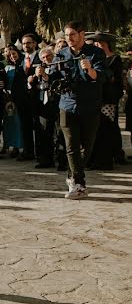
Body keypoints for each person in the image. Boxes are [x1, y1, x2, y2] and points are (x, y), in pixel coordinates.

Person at [52, 21, 106, 199]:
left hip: (90, 106)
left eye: (72, 34)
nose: (69, 38)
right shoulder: (61, 55)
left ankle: (72, 175)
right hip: (67, 105)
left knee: (87, 147)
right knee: (71, 145)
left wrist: (89, 69)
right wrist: (43, 75)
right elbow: (53, 78)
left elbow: (101, 77)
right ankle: (79, 184)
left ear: (82, 34)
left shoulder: (96, 53)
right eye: (66, 35)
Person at [88, 32, 124, 170]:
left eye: (99, 43)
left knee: (107, 129)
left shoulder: (115, 59)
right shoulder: (95, 59)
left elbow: (115, 80)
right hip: (95, 97)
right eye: (95, 43)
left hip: (108, 100)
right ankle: (94, 159)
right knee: (95, 130)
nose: (97, 45)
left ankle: (105, 160)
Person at [1, 47, 25, 157]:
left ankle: (20, 146)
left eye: (14, 54)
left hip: (19, 98)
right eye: (10, 55)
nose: (12, 56)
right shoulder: (7, 68)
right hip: (8, 99)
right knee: (9, 123)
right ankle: (10, 145)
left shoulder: (23, 65)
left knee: (18, 123)